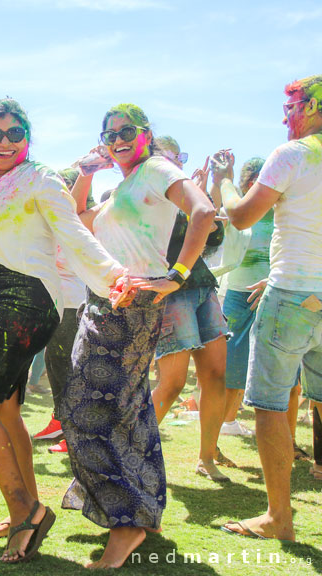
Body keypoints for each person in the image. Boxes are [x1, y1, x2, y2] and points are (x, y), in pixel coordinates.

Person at [0, 40, 131, 564]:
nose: (4, 141)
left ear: (28, 137)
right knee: (7, 410)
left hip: (22, 298)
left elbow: (76, 238)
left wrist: (114, 278)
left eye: (15, 133)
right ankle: (28, 505)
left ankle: (26, 515)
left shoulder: (41, 179)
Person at [63, 106, 215, 568]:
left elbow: (203, 210)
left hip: (129, 304)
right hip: (114, 303)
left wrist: (178, 274)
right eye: (108, 134)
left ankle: (126, 522)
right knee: (131, 410)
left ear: (145, 134)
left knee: (86, 413)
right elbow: (78, 220)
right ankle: (145, 509)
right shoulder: (126, 186)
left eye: (126, 131)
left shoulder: (155, 169)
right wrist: (87, 175)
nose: (116, 139)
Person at [219, 74, 322, 542]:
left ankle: (279, 517)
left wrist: (222, 184)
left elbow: (241, 216)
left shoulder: (293, 155)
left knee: (269, 406)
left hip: (291, 297)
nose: (286, 117)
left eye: (293, 106)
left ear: (314, 106)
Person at [148, 135, 231, 483]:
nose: (175, 164)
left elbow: (214, 238)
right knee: (173, 383)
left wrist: (210, 189)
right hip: (172, 291)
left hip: (202, 286)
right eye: (168, 158)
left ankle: (206, 458)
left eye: (178, 157)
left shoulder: (187, 194)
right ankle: (131, 452)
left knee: (215, 376)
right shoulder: (150, 195)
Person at [33, 167, 95, 454]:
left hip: (71, 303)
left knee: (65, 367)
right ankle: (61, 420)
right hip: (61, 302)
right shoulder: (61, 219)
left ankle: (71, 430)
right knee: (57, 363)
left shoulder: (78, 222)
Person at [214, 157, 268, 436]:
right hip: (238, 295)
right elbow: (211, 211)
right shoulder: (237, 210)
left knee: (257, 361)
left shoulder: (278, 209)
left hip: (270, 292)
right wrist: (221, 179)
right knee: (233, 359)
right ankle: (225, 421)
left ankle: (231, 420)